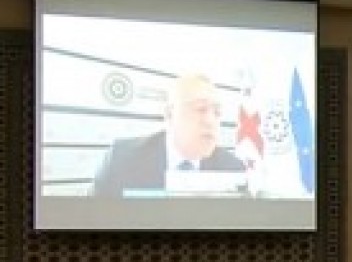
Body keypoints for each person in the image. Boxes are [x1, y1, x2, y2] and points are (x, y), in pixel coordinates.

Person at [91, 74, 245, 197]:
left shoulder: (233, 169)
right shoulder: (121, 159)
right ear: (170, 114)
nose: (211, 121)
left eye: (217, 113)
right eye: (200, 109)